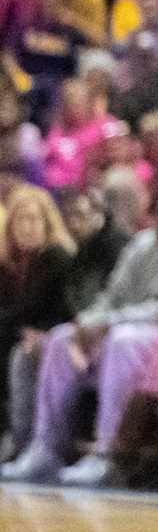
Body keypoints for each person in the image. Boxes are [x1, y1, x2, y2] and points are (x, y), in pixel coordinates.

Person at [1, 178, 158, 486]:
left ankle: (107, 453)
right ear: (152, 215)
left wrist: (111, 322)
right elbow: (113, 295)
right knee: (62, 337)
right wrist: (87, 322)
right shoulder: (142, 245)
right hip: (135, 331)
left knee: (123, 339)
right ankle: (45, 448)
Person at [0, 188, 73, 460]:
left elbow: (52, 309)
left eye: (34, 220)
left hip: (58, 335)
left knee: (16, 349)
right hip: (25, 333)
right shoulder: (11, 263)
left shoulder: (56, 256)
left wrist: (32, 331)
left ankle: (19, 440)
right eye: (21, 220)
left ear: (48, 222)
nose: (28, 227)